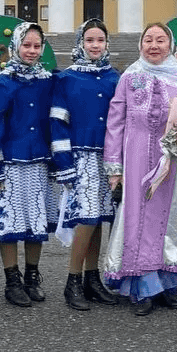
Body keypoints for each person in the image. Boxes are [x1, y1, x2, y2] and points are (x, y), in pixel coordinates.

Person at [103, 22, 177, 316]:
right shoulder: (129, 77)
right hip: (136, 157)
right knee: (139, 219)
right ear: (140, 45)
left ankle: (168, 283)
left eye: (160, 40)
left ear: (170, 45)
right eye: (148, 40)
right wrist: (114, 168)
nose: (154, 45)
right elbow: (116, 122)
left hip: (171, 160)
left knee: (170, 219)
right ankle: (143, 286)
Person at [50, 18, 121, 311]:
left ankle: (93, 280)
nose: (95, 46)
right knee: (87, 217)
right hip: (81, 157)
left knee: (100, 218)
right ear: (81, 42)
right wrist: (63, 162)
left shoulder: (115, 77)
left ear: (107, 44)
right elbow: (57, 121)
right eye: (90, 40)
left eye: (100, 40)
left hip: (108, 156)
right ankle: (72, 280)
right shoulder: (66, 78)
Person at [0, 22, 57, 307]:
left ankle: (32, 275)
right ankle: (11, 281)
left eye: (36, 46)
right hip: (11, 162)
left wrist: (55, 161)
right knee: (11, 223)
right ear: (15, 46)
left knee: (35, 221)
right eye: (26, 45)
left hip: (39, 160)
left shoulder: (47, 80)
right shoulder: (2, 82)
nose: (31, 51)